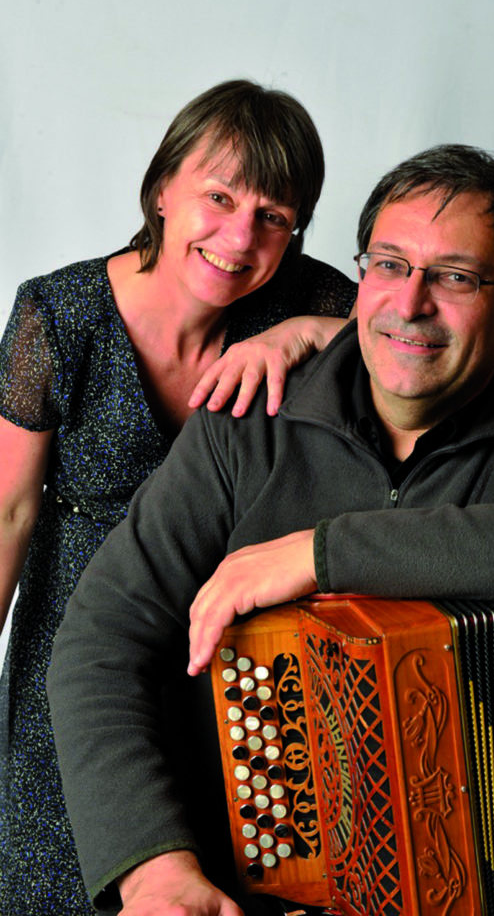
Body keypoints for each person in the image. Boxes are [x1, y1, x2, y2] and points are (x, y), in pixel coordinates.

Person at [47, 145, 494, 916]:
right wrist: (152, 869)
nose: (408, 303)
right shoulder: (244, 427)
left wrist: (321, 555)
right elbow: (99, 646)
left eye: (454, 277)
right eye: (387, 264)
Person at [0, 79, 356, 915]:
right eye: (219, 197)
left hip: (237, 648)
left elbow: (419, 342)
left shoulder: (311, 299)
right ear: (162, 190)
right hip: (81, 642)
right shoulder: (60, 314)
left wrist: (302, 333)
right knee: (58, 880)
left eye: (273, 216)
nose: (240, 236)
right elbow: (9, 510)